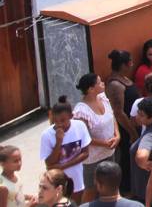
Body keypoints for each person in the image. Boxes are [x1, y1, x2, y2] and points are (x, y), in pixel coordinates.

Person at [73, 74, 118, 202]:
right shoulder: (81, 111)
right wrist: (104, 143)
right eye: (99, 82)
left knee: (110, 184)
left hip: (110, 151)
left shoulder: (103, 98)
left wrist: (117, 136)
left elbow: (112, 117)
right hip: (93, 158)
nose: (103, 83)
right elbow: (84, 137)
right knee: (91, 189)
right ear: (91, 89)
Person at [41, 97, 91, 202]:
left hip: (78, 178)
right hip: (58, 182)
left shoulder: (80, 126)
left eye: (63, 120)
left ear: (71, 116)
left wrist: (62, 166)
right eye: (55, 121)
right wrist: (59, 142)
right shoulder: (46, 135)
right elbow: (49, 163)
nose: (59, 124)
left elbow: (85, 153)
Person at [105, 50, 139, 195]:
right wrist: (132, 132)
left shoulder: (123, 78)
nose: (132, 63)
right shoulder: (115, 85)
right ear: (124, 65)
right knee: (126, 158)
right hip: (125, 129)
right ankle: (125, 188)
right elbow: (119, 112)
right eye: (130, 61)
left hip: (133, 126)